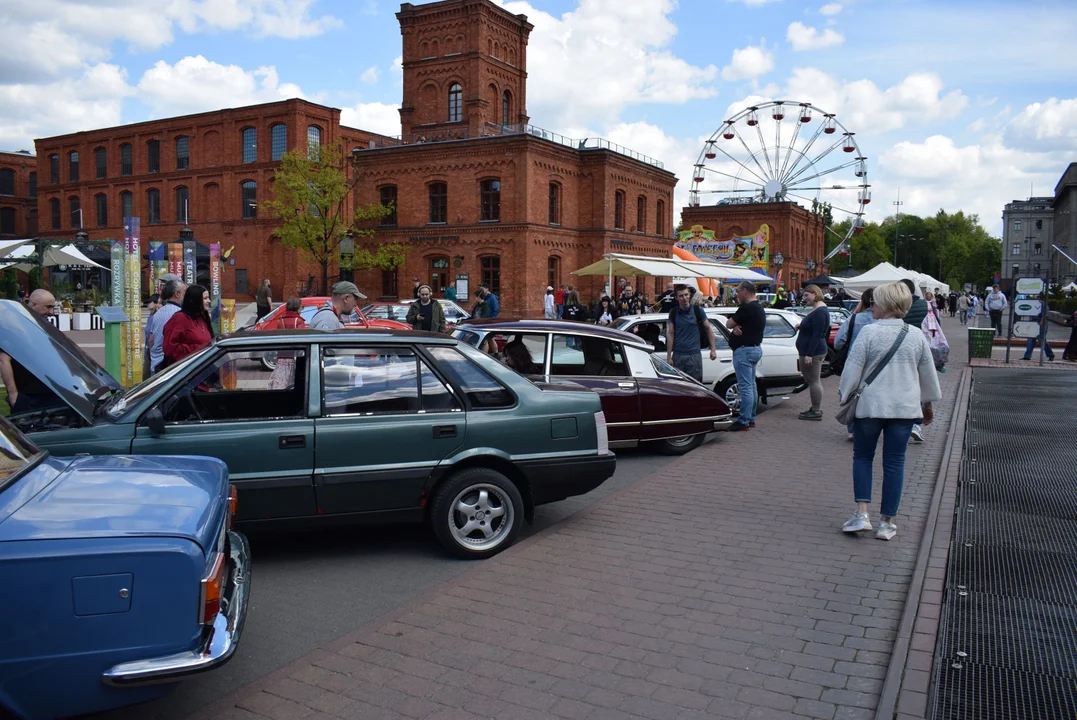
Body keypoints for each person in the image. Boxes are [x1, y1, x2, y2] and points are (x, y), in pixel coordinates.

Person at [838, 281, 942, 541]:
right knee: (895, 463)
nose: (872, 305)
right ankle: (887, 523)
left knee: (863, 457)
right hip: (904, 409)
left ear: (884, 304)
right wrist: (927, 403)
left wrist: (845, 395)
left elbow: (852, 370)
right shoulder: (915, 335)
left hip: (871, 406)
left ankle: (862, 514)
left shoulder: (869, 333)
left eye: (875, 301)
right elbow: (927, 376)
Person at [0, 289, 63, 415]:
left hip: (53, 392)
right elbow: (4, 360)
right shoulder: (13, 326)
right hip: (27, 395)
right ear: (34, 304)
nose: (51, 312)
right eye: (48, 307)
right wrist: (13, 394)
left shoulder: (46, 326)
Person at [834, 288, 878, 439]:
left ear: (863, 301)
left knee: (853, 393)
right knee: (873, 395)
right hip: (877, 365)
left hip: (854, 362)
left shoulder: (853, 319)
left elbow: (838, 342)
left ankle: (853, 429)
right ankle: (871, 427)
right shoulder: (883, 322)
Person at [724, 280, 766, 432]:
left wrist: (734, 325)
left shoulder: (747, 308)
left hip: (744, 350)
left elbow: (728, 323)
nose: (736, 294)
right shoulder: (759, 307)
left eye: (738, 291)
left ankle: (744, 420)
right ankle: (751, 417)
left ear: (746, 292)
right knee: (751, 385)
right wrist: (736, 325)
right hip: (754, 349)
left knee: (745, 387)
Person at [666, 284, 717, 382]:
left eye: (686, 295)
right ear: (676, 298)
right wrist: (669, 357)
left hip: (694, 355)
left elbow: (708, 329)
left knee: (695, 386)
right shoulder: (673, 312)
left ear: (689, 295)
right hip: (678, 355)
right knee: (679, 386)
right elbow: (670, 333)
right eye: (681, 296)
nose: (684, 298)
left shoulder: (698, 311)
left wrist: (713, 349)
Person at [795, 284, 831, 420]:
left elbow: (817, 334)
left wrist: (809, 353)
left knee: (814, 381)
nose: (805, 298)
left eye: (807, 295)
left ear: (815, 294)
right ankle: (815, 408)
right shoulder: (818, 311)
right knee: (812, 380)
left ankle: (816, 410)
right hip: (811, 351)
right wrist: (801, 327)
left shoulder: (820, 312)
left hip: (813, 352)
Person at [162, 285, 214, 367]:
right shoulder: (180, 318)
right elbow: (169, 348)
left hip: (202, 368)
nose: (209, 301)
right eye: (205, 298)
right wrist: (200, 349)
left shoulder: (202, 318)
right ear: (194, 300)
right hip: (185, 371)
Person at [146, 279, 186, 374]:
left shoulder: (157, 313)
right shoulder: (179, 314)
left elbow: (151, 340)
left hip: (155, 364)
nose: (186, 295)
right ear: (177, 294)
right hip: (171, 367)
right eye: (184, 292)